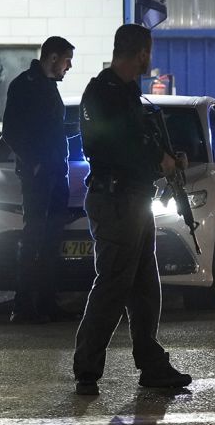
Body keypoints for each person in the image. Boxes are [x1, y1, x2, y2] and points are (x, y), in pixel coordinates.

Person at [72, 24, 193, 396]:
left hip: (133, 199)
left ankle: (152, 362)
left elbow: (137, 142)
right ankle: (87, 369)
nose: (150, 59)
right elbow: (118, 146)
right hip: (116, 199)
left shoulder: (125, 92)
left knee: (143, 286)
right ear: (141, 52)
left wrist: (166, 161)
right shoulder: (104, 92)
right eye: (148, 52)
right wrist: (160, 159)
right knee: (112, 284)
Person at [1, 36, 75, 324]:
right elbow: (11, 130)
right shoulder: (25, 86)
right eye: (67, 60)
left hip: (57, 175)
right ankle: (23, 305)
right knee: (33, 239)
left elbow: (51, 129)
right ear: (53, 58)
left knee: (51, 241)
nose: (69, 67)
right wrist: (33, 162)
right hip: (40, 175)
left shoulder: (48, 88)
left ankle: (46, 302)